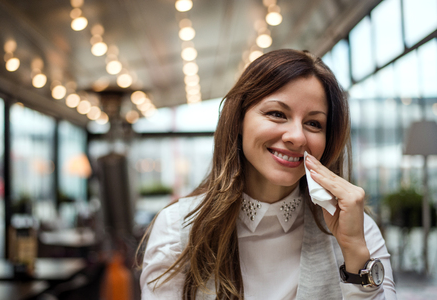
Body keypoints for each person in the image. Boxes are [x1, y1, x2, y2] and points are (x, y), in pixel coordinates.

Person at [137, 49, 396, 299]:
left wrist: (354, 252)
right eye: (276, 114)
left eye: (314, 123)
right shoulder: (177, 228)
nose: (296, 137)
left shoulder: (357, 229)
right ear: (238, 120)